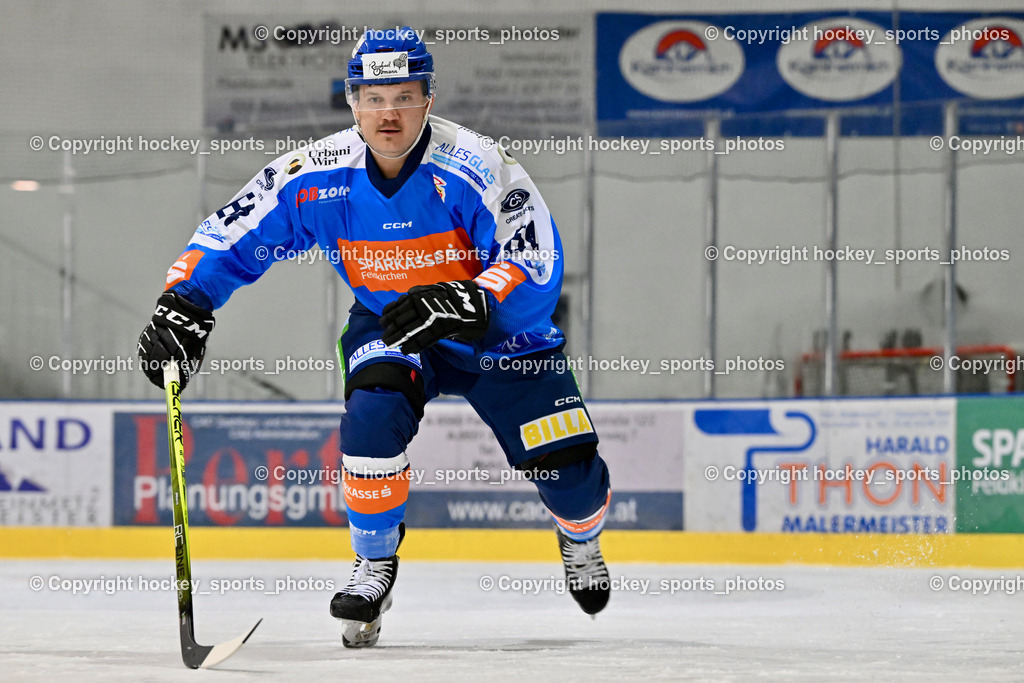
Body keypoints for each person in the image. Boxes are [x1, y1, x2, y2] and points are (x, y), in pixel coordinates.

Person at [137, 27, 612, 647]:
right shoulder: (318, 173)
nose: (388, 113)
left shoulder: (478, 165)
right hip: (397, 324)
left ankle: (580, 538)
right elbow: (236, 229)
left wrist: (474, 298)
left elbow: (535, 257)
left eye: (404, 96)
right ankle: (374, 564)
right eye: (374, 97)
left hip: (501, 335)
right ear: (352, 101)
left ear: (428, 99)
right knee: (368, 420)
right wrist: (185, 301)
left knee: (571, 475)